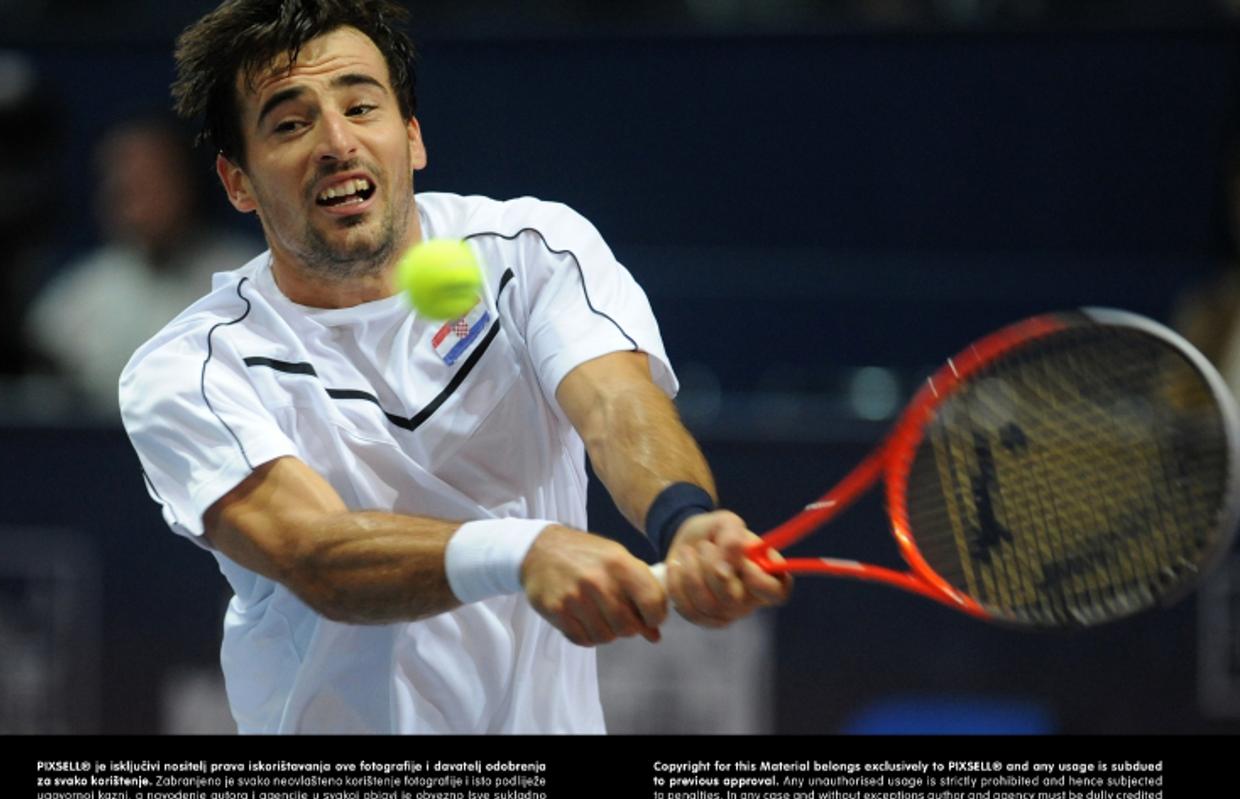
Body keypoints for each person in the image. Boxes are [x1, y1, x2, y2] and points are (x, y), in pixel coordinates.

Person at [119, 0, 789, 734]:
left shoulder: (530, 252)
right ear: (237, 181)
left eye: (361, 106)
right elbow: (316, 554)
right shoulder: (191, 370)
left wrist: (683, 519)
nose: (337, 142)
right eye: (290, 123)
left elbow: (616, 407)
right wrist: (525, 551)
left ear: (411, 139)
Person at [27, 117, 258, 416]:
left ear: (189, 181)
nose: (135, 194)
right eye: (123, 180)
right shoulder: (77, 295)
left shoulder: (249, 279)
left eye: (153, 178)